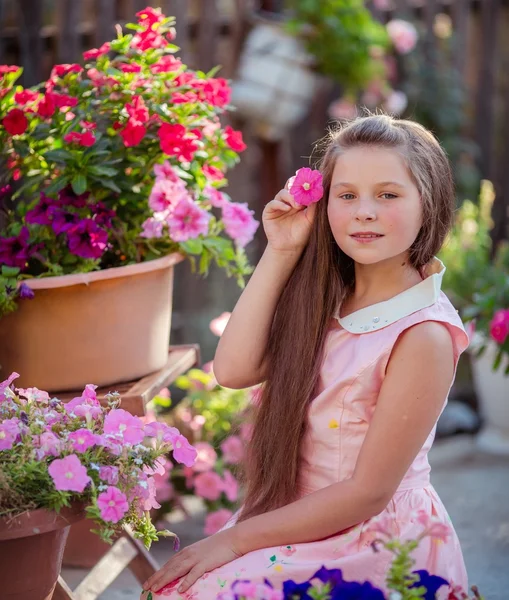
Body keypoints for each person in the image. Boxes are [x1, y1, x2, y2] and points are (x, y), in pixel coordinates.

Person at [141, 114, 469, 599]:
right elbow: (232, 371)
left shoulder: (423, 333)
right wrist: (281, 250)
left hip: (370, 539)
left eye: (388, 194)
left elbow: (367, 493)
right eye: (347, 194)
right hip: (294, 521)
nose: (364, 212)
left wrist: (232, 541)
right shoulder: (325, 300)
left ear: (430, 204)